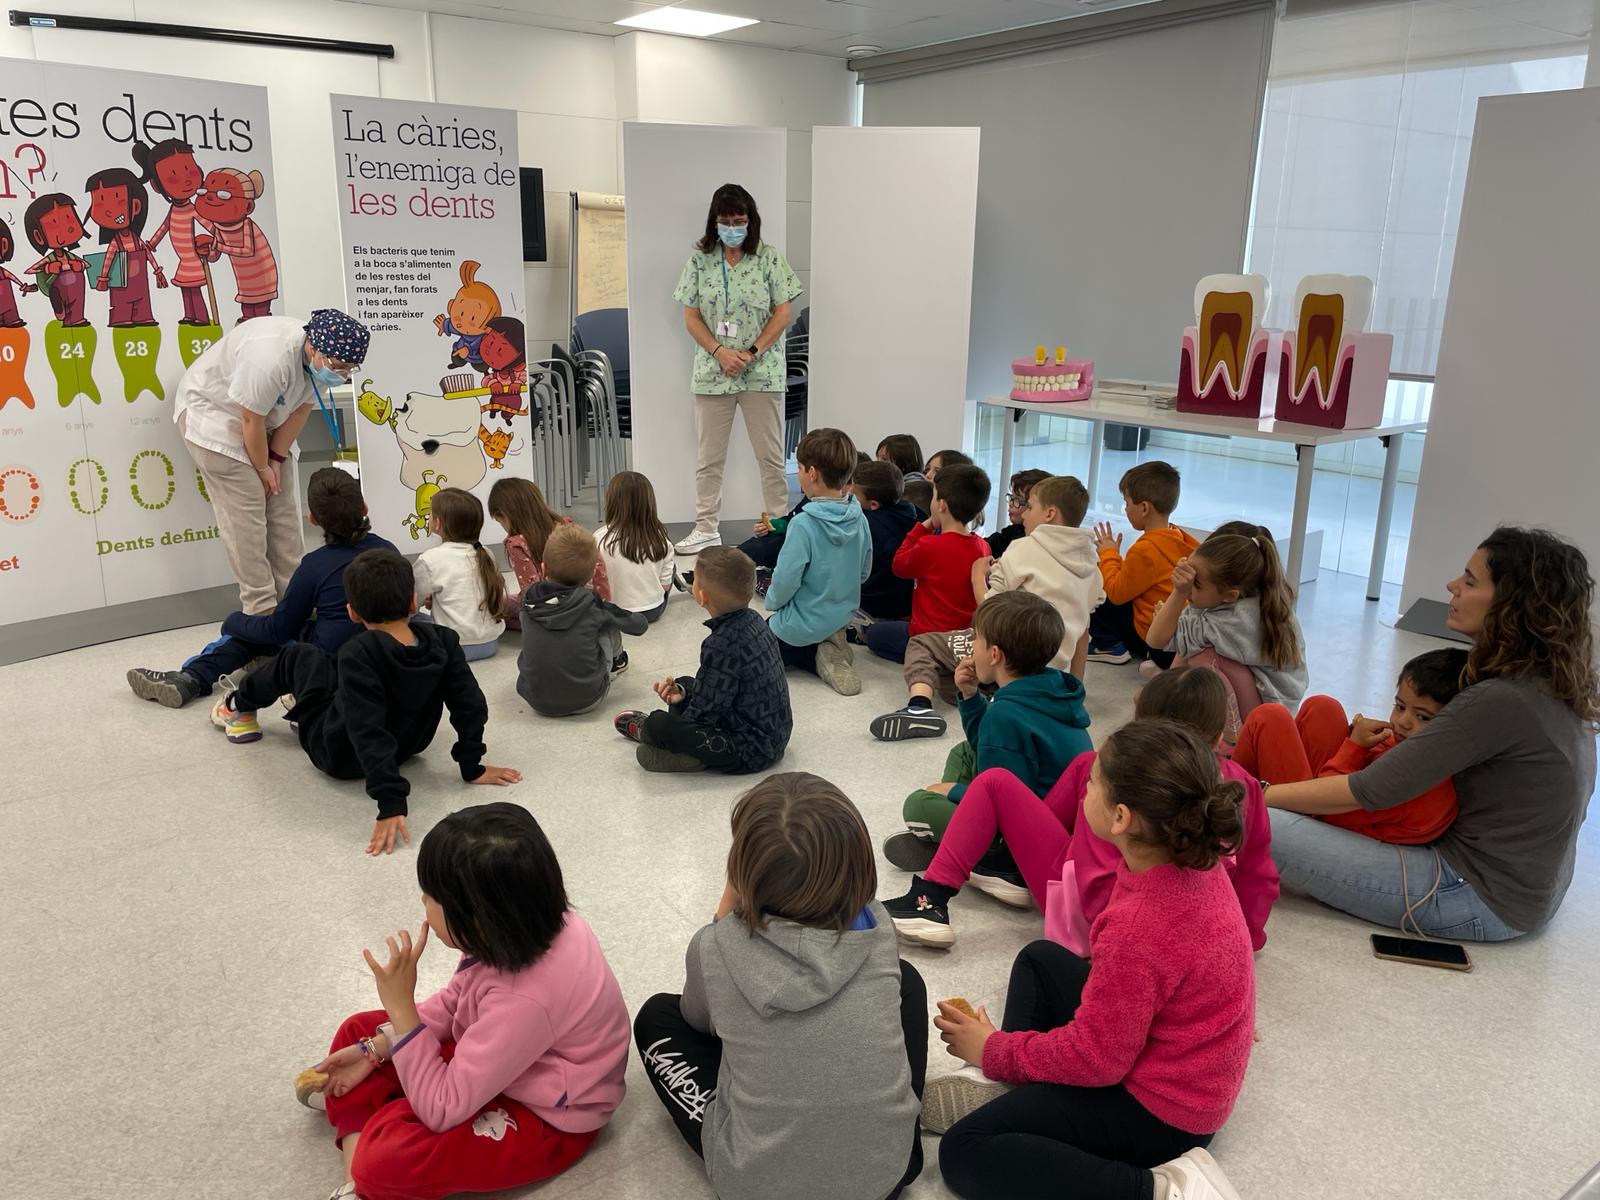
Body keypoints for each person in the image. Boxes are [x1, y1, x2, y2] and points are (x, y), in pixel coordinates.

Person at [924, 720, 1255, 1200]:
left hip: (1163, 1114)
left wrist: (995, 1050)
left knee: (964, 1150)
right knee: (1039, 959)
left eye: (1093, 781)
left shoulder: (1140, 926)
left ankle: (1159, 1188)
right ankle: (1020, 1089)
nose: (1086, 787)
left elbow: (1099, 1060)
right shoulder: (1194, 860)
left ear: (1121, 818)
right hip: (1185, 1069)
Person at [1265, 527, 1599, 941]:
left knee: (1254, 819)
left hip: (1473, 894)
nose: (1452, 586)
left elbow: (1370, 789)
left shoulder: (1503, 698)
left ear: (1512, 605)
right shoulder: (1548, 683)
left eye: (1470, 582)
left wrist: (1257, 794)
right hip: (1526, 893)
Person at [299, 803, 629, 1200]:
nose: (423, 901)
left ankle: (363, 1173)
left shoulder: (524, 998)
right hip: (504, 1055)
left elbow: (441, 1108)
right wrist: (377, 1048)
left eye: (431, 897)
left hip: (550, 1116)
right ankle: (362, 1166)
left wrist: (402, 1010)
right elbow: (457, 1000)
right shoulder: (525, 926)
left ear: (478, 920)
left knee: (388, 1159)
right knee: (359, 1031)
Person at [632, 772, 925, 1200]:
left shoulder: (713, 947)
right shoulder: (879, 930)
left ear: (741, 870)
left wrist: (726, 912)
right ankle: (886, 1124)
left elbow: (697, 1021)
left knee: (657, 1016)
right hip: (886, 1177)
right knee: (907, 982)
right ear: (859, 863)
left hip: (755, 1188)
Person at [883, 667, 1278, 955]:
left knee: (994, 783)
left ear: (1143, 724)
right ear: (1217, 735)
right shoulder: (1242, 788)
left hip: (1088, 921)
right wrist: (1242, 944)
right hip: (1172, 937)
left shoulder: (1104, 769)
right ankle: (994, 866)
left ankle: (933, 897)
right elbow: (1257, 875)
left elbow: (1044, 820)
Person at [218, 549, 521, 855]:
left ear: (352, 612)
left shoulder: (358, 652)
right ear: (413, 602)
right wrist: (472, 765)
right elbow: (470, 704)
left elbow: (366, 728)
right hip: (410, 745)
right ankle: (288, 702)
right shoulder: (443, 641)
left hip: (337, 755)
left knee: (299, 656)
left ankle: (238, 706)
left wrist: (391, 803)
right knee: (333, 670)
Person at [125, 467, 392, 709]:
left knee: (248, 635)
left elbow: (279, 628)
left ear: (312, 519)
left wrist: (234, 621)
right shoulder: (389, 551)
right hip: (381, 655)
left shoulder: (314, 565)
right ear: (364, 507)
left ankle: (189, 678)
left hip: (324, 660)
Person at [871, 473, 1100, 740]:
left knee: (920, 644)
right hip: (1048, 673)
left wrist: (977, 576)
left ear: (1049, 513)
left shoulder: (1023, 549)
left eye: (1029, 506)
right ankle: (987, 690)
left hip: (1006, 656)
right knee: (954, 675)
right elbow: (1083, 632)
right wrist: (1075, 690)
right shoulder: (1091, 566)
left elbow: (992, 611)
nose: (1024, 513)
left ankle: (919, 706)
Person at [173, 308, 368, 614]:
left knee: (283, 509)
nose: (341, 375)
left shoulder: (327, 359)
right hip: (216, 414)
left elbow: (300, 411)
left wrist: (276, 459)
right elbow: (250, 420)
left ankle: (297, 600)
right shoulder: (269, 358)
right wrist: (262, 467)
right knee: (247, 514)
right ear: (313, 347)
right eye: (338, 367)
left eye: (349, 369)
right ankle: (261, 609)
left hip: (265, 420)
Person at [895, 591, 1092, 854]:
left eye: (975, 637)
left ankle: (979, 855)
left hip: (1025, 837)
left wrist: (954, 791)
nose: (972, 644)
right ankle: (955, 827)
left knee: (919, 803)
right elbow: (988, 744)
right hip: (1054, 816)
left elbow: (1005, 803)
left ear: (995, 654)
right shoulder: (1053, 687)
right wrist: (970, 696)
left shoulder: (1005, 715)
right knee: (963, 752)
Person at [672, 183, 803, 555]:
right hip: (713, 372)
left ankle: (778, 526)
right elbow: (691, 317)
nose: (733, 227)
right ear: (715, 222)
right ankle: (706, 527)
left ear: (751, 220)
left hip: (761, 371)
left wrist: (752, 351)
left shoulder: (769, 258)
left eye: (739, 220)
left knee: (770, 456)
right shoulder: (700, 261)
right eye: (726, 221)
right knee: (709, 458)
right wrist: (719, 352)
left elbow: (783, 312)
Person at [1234, 647, 1468, 844]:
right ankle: (1236, 788)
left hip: (1325, 825)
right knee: (1323, 708)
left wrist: (1354, 746)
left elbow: (1328, 812)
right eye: (1400, 707)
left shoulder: (1416, 787)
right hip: (1338, 805)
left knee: (1268, 718)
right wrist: (1358, 737)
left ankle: (1229, 800)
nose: (1403, 722)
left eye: (1423, 717)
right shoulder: (1424, 754)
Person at [613, 546, 792, 774]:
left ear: (701, 596)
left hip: (749, 752)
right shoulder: (755, 620)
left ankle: (673, 745)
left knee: (658, 722)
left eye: (694, 579)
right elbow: (720, 691)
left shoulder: (721, 643)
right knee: (685, 683)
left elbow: (704, 715)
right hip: (775, 734)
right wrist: (684, 694)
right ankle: (690, 749)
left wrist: (676, 731)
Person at [1142, 524, 1307, 731]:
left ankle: (1230, 737)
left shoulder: (1230, 621)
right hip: (1278, 709)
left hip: (1265, 719)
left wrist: (1179, 592)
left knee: (1203, 655)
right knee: (1196, 649)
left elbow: (1156, 639)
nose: (1189, 585)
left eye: (1196, 583)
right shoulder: (1263, 601)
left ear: (1230, 594)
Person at [764, 427, 872, 696]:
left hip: (799, 626)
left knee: (754, 647)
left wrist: (772, 603)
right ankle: (830, 644)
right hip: (841, 617)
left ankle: (814, 657)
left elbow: (786, 579)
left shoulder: (803, 523)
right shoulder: (858, 515)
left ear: (812, 473)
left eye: (799, 468)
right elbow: (864, 570)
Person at [860, 464, 991, 666]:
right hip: (962, 639)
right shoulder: (983, 546)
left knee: (874, 634)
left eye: (933, 497)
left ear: (941, 505)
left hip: (925, 636)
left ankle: (929, 658)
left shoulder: (930, 545)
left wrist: (923, 527)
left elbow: (898, 565)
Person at [516, 523, 649, 718]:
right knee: (607, 624)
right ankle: (618, 662)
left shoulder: (527, 600)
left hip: (535, 700)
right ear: (592, 574)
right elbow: (639, 626)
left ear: (543, 569)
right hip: (588, 699)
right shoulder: (593, 605)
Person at [1087, 461, 1199, 666]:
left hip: (1152, 639)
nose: (1125, 509)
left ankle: (1107, 644)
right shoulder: (1177, 536)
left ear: (1144, 508)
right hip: (1176, 638)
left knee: (1098, 576)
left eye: (1127, 503)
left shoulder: (1146, 549)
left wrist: (1108, 554)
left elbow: (1116, 593)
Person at [487, 478, 610, 632]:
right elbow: (598, 567)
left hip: (551, 616)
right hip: (587, 607)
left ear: (505, 516)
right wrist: (603, 608)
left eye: (500, 522)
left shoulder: (517, 544)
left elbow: (531, 594)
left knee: (496, 607)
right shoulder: (566, 526)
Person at [412, 488, 507, 661]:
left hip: (453, 646)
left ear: (438, 523)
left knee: (412, 618)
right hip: (490, 644)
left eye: (430, 513)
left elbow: (411, 604)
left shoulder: (429, 559)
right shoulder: (486, 553)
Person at [135, 138, 213, 326]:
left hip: (193, 258)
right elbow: (164, 227)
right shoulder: (174, 210)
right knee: (186, 288)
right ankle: (190, 315)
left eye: (190, 170)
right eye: (173, 176)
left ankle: (201, 317)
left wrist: (215, 239)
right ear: (156, 185)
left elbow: (209, 225)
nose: (186, 180)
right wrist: (152, 243)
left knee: (194, 289)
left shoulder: (192, 209)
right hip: (184, 259)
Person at [84, 166, 168, 326]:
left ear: (135, 206)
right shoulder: (116, 242)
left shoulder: (136, 239)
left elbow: (147, 254)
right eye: (100, 203)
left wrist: (157, 271)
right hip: (121, 282)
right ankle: (121, 319)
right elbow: (109, 258)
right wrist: (103, 278)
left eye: (117, 199)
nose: (109, 211)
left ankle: (143, 316)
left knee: (143, 301)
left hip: (140, 282)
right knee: (121, 302)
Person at [595, 471, 676, 624]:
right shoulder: (661, 540)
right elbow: (665, 586)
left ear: (610, 502)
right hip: (651, 611)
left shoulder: (598, 538)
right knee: (671, 565)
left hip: (611, 612)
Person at [850, 460, 920, 622]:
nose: (849, 495)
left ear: (874, 504)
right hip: (906, 602)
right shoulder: (914, 513)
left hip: (875, 604)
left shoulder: (867, 526)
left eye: (854, 495)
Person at [986, 469, 1050, 560]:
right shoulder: (1015, 529)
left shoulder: (1032, 544)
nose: (1010, 503)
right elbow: (990, 544)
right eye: (1011, 498)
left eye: (1017, 500)